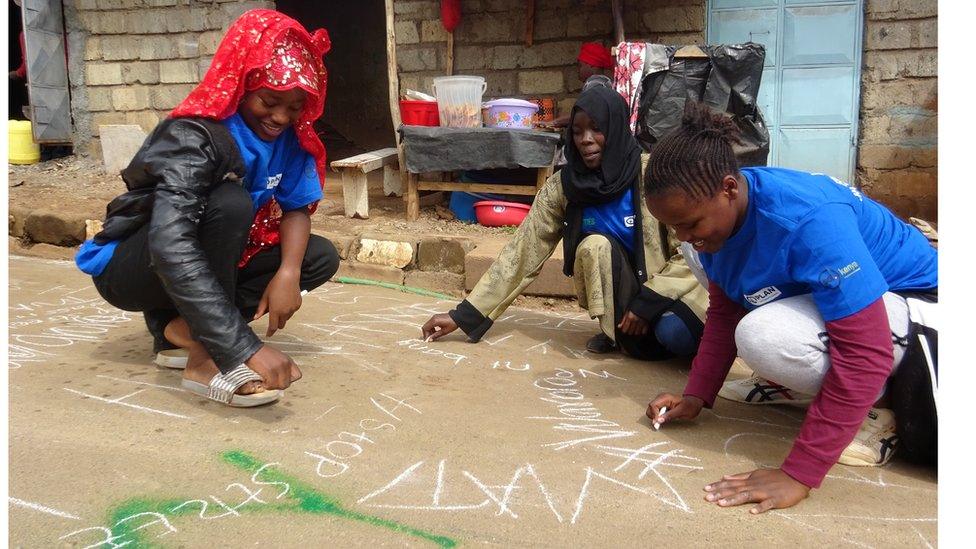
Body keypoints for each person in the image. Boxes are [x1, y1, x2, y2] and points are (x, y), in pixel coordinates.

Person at [644, 101, 938, 513]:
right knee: (740, 307)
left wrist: (800, 473)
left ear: (729, 188)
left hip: (923, 311)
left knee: (763, 334)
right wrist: (696, 395)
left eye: (690, 223)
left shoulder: (809, 220)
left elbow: (866, 352)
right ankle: (806, 384)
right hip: (867, 307)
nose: (685, 235)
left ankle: (880, 408)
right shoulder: (722, 219)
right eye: (673, 226)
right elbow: (727, 308)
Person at [74, 10, 339, 407]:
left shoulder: (290, 140)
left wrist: (288, 272)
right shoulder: (195, 135)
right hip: (133, 269)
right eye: (269, 101)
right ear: (243, 83)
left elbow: (296, 208)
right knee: (229, 203)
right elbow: (171, 243)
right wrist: (241, 346)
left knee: (317, 256)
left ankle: (179, 330)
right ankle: (206, 357)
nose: (281, 117)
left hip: (199, 261)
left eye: (296, 106)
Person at [421, 85, 707, 361]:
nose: (586, 139)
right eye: (578, 131)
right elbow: (523, 253)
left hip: (670, 289)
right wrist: (464, 315)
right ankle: (616, 334)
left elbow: (691, 252)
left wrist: (650, 301)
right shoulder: (565, 187)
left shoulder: (652, 174)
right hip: (624, 306)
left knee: (675, 334)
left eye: (597, 128)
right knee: (593, 245)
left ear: (617, 129)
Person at [542, 42, 616, 130]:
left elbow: (584, 115)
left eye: (580, 65)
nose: (578, 70)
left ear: (591, 65)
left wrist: (554, 122)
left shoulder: (595, 85)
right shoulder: (605, 83)